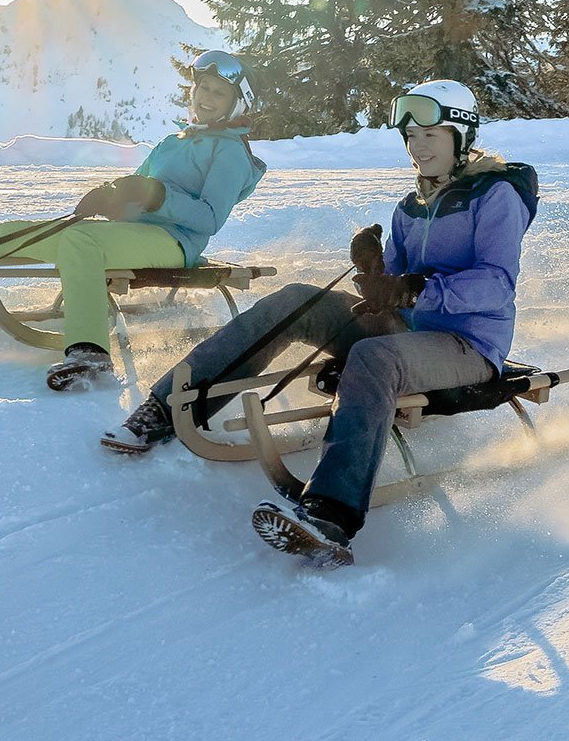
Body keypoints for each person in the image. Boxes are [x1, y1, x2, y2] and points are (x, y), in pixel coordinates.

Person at [103, 79, 538, 570]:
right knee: (296, 300)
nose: (417, 149)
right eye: (411, 138)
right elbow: (388, 288)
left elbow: (497, 284)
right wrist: (375, 274)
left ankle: (331, 515)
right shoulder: (409, 206)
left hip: (466, 346)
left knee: (374, 358)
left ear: (461, 135)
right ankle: (167, 406)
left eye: (430, 136)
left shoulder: (495, 195)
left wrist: (417, 289)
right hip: (403, 331)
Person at [0, 50, 266, 390]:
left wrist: (155, 195)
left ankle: (91, 352)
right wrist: (115, 196)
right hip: (132, 233)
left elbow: (210, 217)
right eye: (202, 88)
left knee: (81, 244)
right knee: (20, 232)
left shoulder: (230, 152)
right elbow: (138, 185)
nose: (206, 98)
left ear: (237, 103)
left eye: (218, 93)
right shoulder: (174, 141)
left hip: (175, 244)